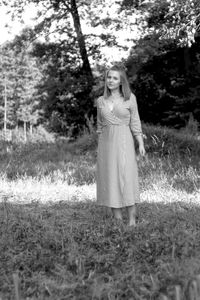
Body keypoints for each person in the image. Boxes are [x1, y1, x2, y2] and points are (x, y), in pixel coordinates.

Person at [96, 65, 145, 226]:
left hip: (124, 140)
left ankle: (131, 220)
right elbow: (99, 125)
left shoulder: (130, 98)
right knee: (110, 177)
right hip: (106, 144)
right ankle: (118, 220)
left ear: (121, 81)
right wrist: (100, 145)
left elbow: (135, 122)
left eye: (115, 78)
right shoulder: (101, 101)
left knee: (127, 176)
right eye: (109, 77)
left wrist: (140, 143)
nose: (111, 80)